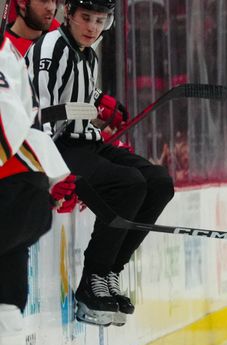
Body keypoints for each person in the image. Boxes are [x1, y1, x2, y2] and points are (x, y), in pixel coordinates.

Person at [27, 0, 175, 327]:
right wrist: (51, 174)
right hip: (57, 146)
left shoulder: (88, 53)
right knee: (128, 184)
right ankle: (92, 281)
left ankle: (109, 272)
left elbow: (85, 95)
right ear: (70, 16)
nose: (92, 27)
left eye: (99, 20)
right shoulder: (52, 46)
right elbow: (42, 114)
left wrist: (103, 104)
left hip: (85, 142)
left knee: (159, 181)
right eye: (86, 18)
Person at [0, 30, 77, 345]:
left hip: (10, 192)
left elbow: (8, 125)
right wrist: (59, 173)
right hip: (22, 191)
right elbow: (24, 125)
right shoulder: (9, 54)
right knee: (6, 321)